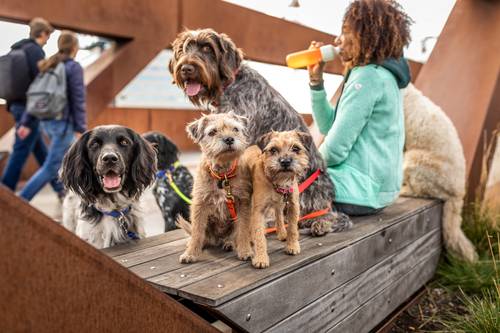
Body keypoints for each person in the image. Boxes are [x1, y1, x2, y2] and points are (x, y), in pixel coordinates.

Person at [308, 0, 412, 216]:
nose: (337, 40)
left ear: (365, 35)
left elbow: (335, 150)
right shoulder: (381, 75)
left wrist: (303, 166)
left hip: (358, 190)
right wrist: (316, 83)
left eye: (345, 31)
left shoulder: (368, 77)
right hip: (375, 190)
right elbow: (330, 127)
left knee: (280, 175)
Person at [17, 30, 87, 201]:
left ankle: (70, 197)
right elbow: (78, 99)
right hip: (63, 124)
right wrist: (80, 128)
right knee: (51, 167)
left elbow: (34, 95)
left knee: (77, 161)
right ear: (74, 47)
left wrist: (26, 122)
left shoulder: (50, 64)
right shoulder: (73, 67)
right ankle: (21, 200)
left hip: (47, 123)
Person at [1, 18, 65, 197]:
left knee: (40, 150)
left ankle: (59, 188)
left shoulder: (17, 48)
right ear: (43, 33)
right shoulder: (35, 51)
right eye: (48, 36)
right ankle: (5, 192)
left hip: (15, 105)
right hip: (28, 109)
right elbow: (41, 84)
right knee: (21, 150)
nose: (47, 40)